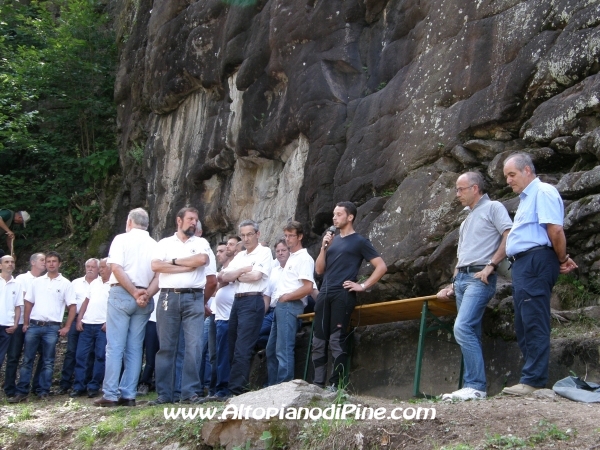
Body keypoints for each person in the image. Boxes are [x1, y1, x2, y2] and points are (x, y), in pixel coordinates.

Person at [501, 153, 578, 396]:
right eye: (506, 176)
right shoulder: (527, 198)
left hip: (535, 260)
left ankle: (534, 380)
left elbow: (555, 230)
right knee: (524, 321)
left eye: (512, 175)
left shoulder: (542, 191)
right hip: (525, 263)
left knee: (533, 317)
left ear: (527, 171)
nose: (508, 181)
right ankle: (531, 377)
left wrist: (562, 258)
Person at [437, 172, 512, 401]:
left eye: (461, 189)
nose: (457, 194)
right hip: (462, 280)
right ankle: (473, 388)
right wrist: (452, 283)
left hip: (480, 278)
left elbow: (510, 234)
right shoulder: (467, 218)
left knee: (462, 327)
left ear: (475, 188)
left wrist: (491, 265)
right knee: (471, 331)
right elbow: (462, 256)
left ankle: (475, 385)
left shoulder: (494, 207)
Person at [312, 201, 387, 391]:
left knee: (336, 340)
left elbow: (381, 266)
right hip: (325, 293)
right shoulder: (331, 240)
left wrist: (362, 285)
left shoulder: (360, 241)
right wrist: (323, 247)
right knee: (318, 341)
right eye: (334, 215)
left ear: (350, 217)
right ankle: (317, 384)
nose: (334, 218)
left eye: (338, 214)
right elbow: (319, 270)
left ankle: (335, 385)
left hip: (342, 294)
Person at [95, 208, 158, 407]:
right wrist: (146, 293)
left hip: (124, 293)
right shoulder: (156, 245)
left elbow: (116, 268)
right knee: (135, 347)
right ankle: (129, 394)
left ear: (129, 221)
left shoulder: (121, 239)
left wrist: (133, 292)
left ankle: (111, 394)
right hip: (145, 296)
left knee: (115, 345)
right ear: (147, 224)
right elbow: (159, 275)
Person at [149, 207, 209, 405]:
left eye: (196, 219)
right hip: (168, 297)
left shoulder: (201, 242)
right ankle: (165, 394)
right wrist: (185, 265)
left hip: (194, 297)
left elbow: (202, 260)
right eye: (190, 219)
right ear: (179, 220)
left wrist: (172, 262)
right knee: (166, 347)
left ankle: (189, 392)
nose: (194, 222)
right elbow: (156, 266)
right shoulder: (164, 243)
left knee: (194, 345)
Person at [10, 251, 76, 402]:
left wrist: (67, 326)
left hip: (52, 327)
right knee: (27, 359)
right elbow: (28, 303)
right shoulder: (37, 282)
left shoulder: (65, 283)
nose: (51, 264)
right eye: (48, 261)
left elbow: (72, 306)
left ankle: (43, 391)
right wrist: (26, 322)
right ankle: (22, 392)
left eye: (54, 261)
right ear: (45, 264)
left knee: (48, 361)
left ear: (59, 264)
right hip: (34, 325)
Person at [220, 220, 273, 396]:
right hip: (238, 301)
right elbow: (223, 276)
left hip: (253, 300)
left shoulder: (264, 252)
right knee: (233, 346)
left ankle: (236, 390)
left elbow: (256, 276)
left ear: (257, 234)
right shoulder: (241, 257)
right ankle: (236, 386)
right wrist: (242, 270)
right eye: (243, 235)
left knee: (243, 347)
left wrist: (235, 276)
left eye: (249, 234)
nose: (246, 238)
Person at [266, 221, 315, 385]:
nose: (287, 239)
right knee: (271, 350)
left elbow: (308, 287)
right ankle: (273, 387)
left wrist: (287, 297)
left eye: (291, 235)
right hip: (281, 306)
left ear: (300, 236)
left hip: (290, 305)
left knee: (284, 349)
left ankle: (284, 387)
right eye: (286, 235)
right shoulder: (292, 258)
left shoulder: (304, 258)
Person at [4, 252, 45, 398]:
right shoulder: (21, 279)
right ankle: (9, 387)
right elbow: (21, 299)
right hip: (19, 321)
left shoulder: (46, 280)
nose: (45, 262)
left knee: (41, 355)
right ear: (33, 262)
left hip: (36, 324)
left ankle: (36, 385)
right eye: (42, 260)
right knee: (14, 356)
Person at [200, 240, 236, 402]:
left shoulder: (235, 266)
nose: (219, 253)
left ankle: (222, 387)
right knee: (211, 354)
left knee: (221, 353)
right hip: (215, 314)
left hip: (228, 316)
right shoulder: (221, 270)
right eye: (219, 251)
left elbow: (217, 286)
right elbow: (215, 287)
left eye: (223, 250)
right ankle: (212, 388)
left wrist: (220, 282)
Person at [70, 258, 112, 398]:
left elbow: (115, 306)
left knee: (100, 356)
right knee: (81, 356)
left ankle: (94, 386)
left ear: (111, 268)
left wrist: (109, 321)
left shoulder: (115, 284)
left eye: (103, 267)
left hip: (102, 326)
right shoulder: (94, 282)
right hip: (87, 325)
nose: (101, 269)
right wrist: (79, 318)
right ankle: (79, 386)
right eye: (100, 267)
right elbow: (86, 302)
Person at [58, 258, 100, 394]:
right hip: (76, 318)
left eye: (93, 266)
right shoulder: (75, 283)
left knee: (92, 353)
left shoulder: (103, 283)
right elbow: (68, 302)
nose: (90, 269)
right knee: (72, 352)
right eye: (88, 266)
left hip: (95, 320)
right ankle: (65, 383)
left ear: (98, 268)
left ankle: (88, 382)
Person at [258, 240, 290, 351]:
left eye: (283, 250)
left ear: (289, 251)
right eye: (278, 251)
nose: (280, 253)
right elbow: (267, 297)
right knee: (254, 332)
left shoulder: (296, 267)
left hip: (287, 309)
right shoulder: (274, 271)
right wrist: (260, 315)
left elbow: (311, 289)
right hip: (272, 311)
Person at [0, 255, 22, 368]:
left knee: (1, 358)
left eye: (12, 262)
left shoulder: (17, 284)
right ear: (0, 265)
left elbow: (18, 306)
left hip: (7, 326)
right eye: (6, 262)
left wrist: (15, 324)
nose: (10, 264)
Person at [137, 292, 160, 395]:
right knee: (149, 354)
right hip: (149, 320)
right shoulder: (150, 284)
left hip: (166, 321)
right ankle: (144, 383)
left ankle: (158, 382)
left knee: (163, 354)